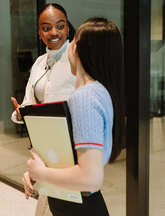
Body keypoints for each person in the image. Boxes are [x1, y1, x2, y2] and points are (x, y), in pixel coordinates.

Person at [24, 17, 125, 216]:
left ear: (76, 48)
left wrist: (41, 172)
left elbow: (90, 177)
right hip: (79, 202)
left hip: (79, 206)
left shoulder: (84, 97)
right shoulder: (100, 91)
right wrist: (38, 172)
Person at [11, 3, 76, 216]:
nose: (54, 32)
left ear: (67, 28)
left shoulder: (77, 57)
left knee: (68, 198)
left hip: (72, 142)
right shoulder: (39, 62)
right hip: (45, 142)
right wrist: (22, 112)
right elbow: (29, 101)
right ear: (39, 32)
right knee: (51, 198)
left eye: (60, 26)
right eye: (46, 28)